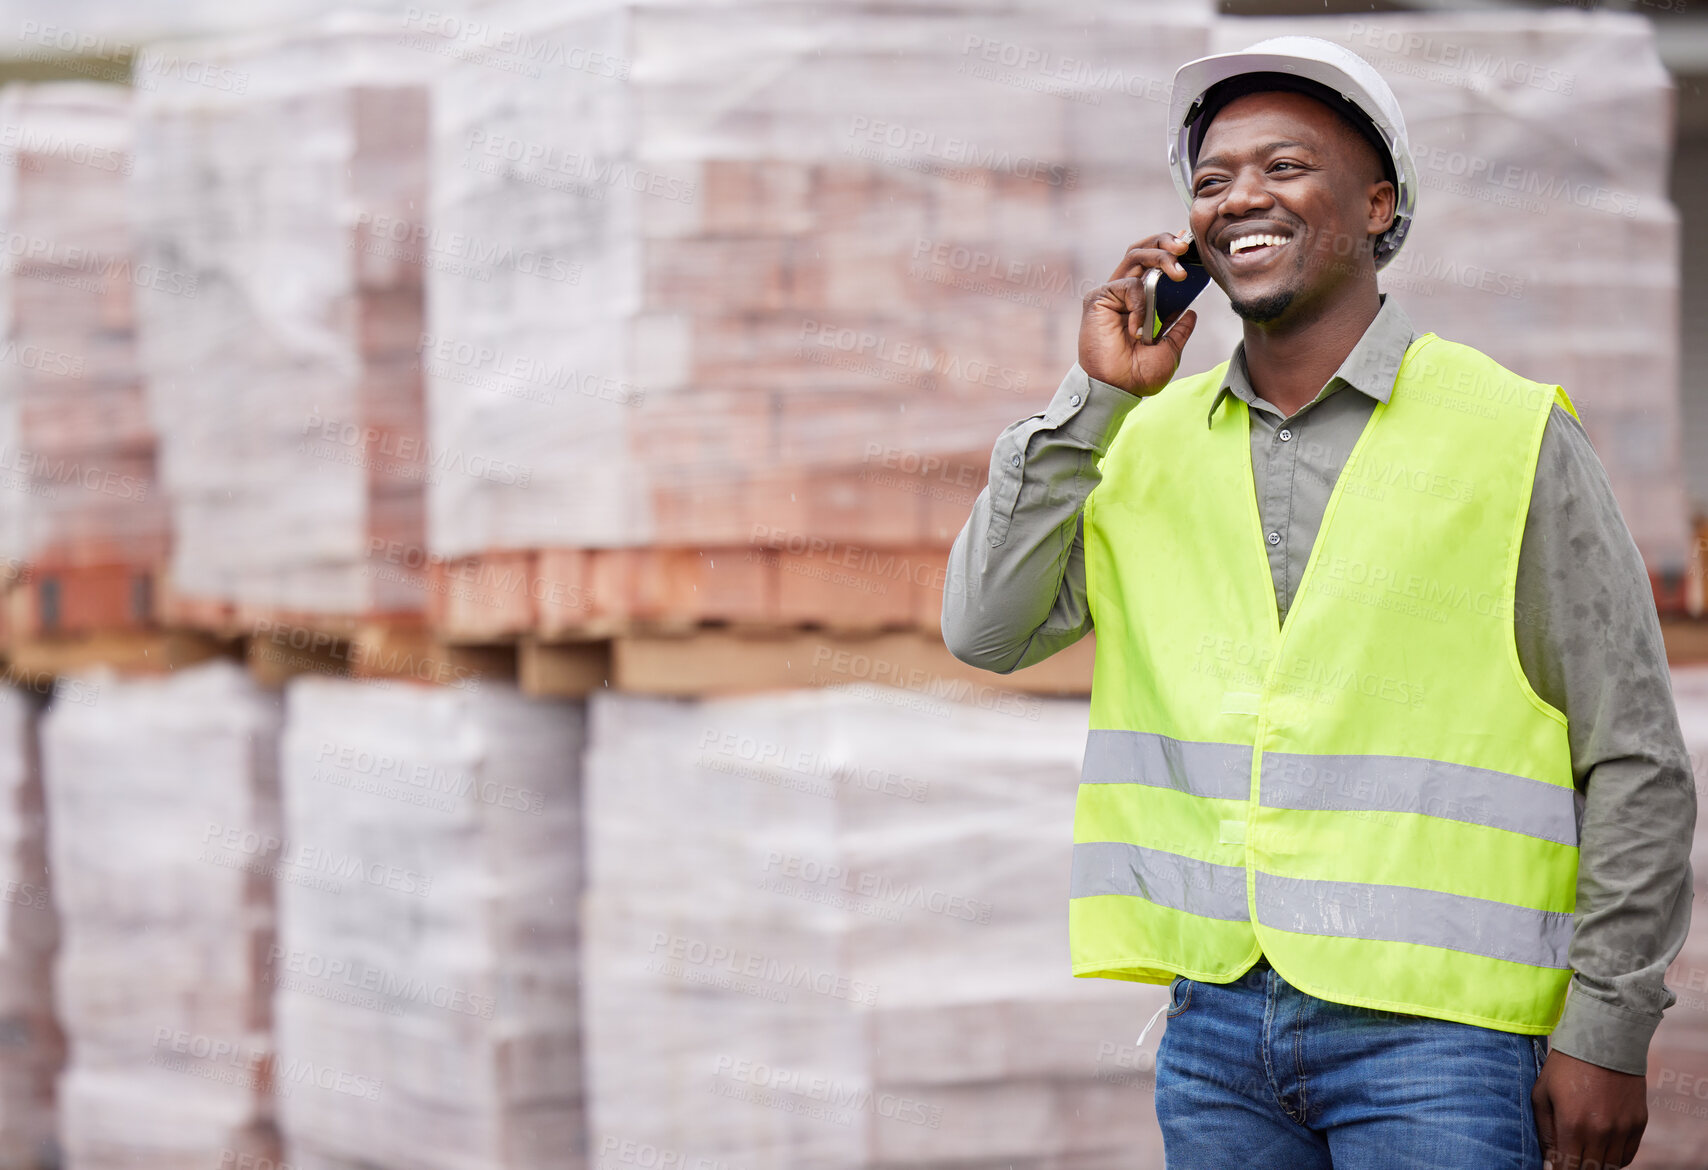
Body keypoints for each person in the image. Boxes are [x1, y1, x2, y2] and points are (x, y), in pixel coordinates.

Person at [941, 35, 1696, 1170]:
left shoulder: (1509, 433)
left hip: (1441, 1040)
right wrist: (1091, 397)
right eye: (1210, 180)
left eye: (1284, 166)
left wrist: (1608, 1026)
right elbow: (986, 629)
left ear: (1378, 203)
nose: (1240, 195)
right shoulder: (1136, 445)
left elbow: (1632, 752)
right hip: (1216, 1035)